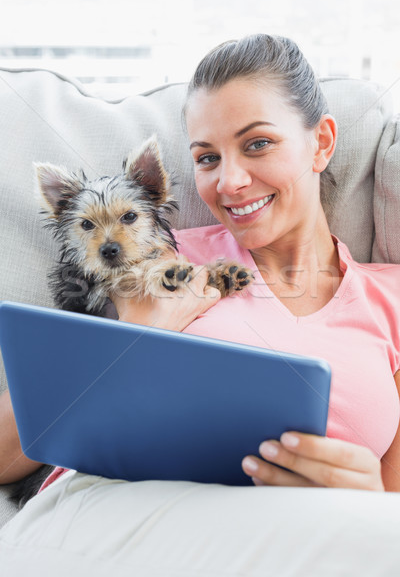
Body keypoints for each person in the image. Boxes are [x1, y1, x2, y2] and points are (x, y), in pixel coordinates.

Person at [0, 33, 399, 496]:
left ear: (322, 143)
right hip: (123, 516)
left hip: (314, 541)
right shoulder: (152, 264)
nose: (229, 182)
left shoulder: (391, 299)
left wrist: (370, 493)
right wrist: (133, 335)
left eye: (258, 144)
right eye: (207, 158)